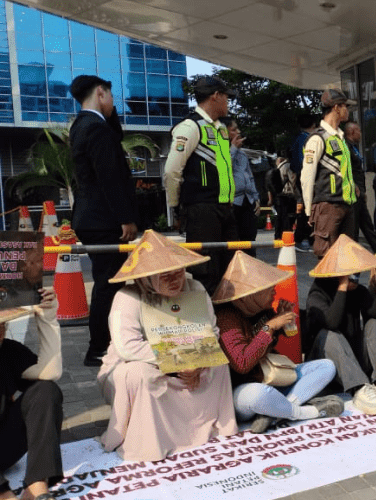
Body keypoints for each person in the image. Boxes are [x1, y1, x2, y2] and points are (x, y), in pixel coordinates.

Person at [98, 230, 237, 461]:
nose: (175, 280)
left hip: (190, 360)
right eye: (165, 275)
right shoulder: (128, 297)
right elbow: (128, 348)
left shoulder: (196, 289)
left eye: (178, 272)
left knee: (219, 363)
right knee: (138, 373)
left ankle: (210, 428)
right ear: (148, 276)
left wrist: (196, 363)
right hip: (146, 364)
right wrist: (177, 361)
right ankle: (151, 441)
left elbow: (210, 333)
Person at [213, 252, 342, 433]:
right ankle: (305, 411)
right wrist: (269, 327)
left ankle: (275, 412)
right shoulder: (226, 318)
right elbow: (241, 364)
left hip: (272, 381)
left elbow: (289, 336)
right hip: (242, 393)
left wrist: (284, 320)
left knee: (327, 367)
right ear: (250, 293)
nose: (274, 290)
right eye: (268, 287)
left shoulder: (260, 310)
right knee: (258, 396)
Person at [68, 75, 139, 367]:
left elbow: (116, 137)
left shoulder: (82, 125)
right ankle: (99, 347)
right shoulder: (95, 128)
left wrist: (110, 114)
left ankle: (104, 344)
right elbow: (109, 177)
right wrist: (125, 218)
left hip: (91, 217)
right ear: (101, 92)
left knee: (108, 281)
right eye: (110, 96)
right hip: (103, 219)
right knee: (108, 283)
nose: (113, 102)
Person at [305, 235, 376, 415]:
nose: (356, 278)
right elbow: (332, 323)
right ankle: (359, 389)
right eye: (351, 274)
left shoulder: (358, 291)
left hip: (354, 360)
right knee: (330, 334)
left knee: (375, 323)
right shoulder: (317, 293)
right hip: (328, 363)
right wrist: (342, 287)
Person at [164, 76, 238, 294]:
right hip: (201, 209)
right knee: (206, 270)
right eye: (226, 97)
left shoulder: (221, 129)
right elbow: (171, 171)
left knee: (231, 268)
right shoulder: (190, 127)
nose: (228, 102)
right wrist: (176, 206)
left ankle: (228, 321)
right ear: (215, 96)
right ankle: (208, 321)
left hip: (224, 207)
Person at [0, 291, 64, 500]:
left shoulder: (8, 350)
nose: (2, 329)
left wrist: (47, 318)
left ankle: (36, 487)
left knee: (45, 390)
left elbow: (49, 373)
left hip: (5, 447)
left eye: (3, 323)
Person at [301, 88, 358, 258]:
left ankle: (343, 285)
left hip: (346, 205)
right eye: (345, 106)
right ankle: (329, 286)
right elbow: (307, 177)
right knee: (328, 258)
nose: (347, 110)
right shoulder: (317, 139)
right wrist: (308, 211)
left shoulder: (340, 138)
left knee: (346, 258)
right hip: (327, 206)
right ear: (336, 107)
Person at [221, 117, 260, 257]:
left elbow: (249, 176)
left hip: (247, 200)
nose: (238, 132)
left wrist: (256, 198)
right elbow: (224, 170)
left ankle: (251, 268)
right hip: (232, 201)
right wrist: (233, 149)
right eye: (234, 129)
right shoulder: (221, 151)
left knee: (249, 238)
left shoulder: (243, 154)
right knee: (232, 240)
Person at [344, 120, 376, 251]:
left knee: (367, 225)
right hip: (353, 194)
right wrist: (354, 185)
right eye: (359, 131)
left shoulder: (353, 147)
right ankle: (354, 261)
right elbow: (345, 169)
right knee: (354, 229)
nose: (360, 134)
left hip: (359, 192)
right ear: (352, 132)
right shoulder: (346, 147)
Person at [290, 114, 319, 252]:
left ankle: (305, 238)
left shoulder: (297, 140)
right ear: (313, 125)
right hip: (308, 179)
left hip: (301, 179)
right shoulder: (307, 140)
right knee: (309, 210)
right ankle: (301, 238)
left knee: (307, 209)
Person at [266, 154, 300, 241]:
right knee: (288, 218)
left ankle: (277, 236)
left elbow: (269, 187)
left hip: (278, 196)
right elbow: (292, 181)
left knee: (279, 218)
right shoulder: (288, 166)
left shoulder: (275, 170)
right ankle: (287, 237)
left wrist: (270, 199)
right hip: (288, 195)